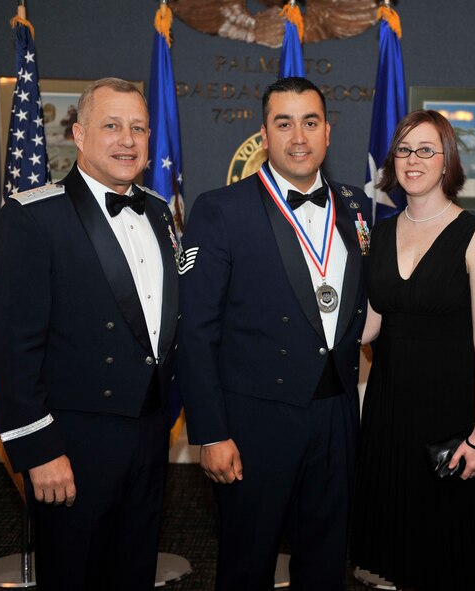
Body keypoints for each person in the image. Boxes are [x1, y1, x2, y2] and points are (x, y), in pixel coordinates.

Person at [0, 77, 179, 590]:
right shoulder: (33, 218)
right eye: (111, 126)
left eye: (138, 128)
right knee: (73, 575)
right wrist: (39, 450)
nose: (127, 140)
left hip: (150, 431)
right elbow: (10, 349)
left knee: (134, 571)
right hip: (72, 441)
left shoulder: (161, 213)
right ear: (78, 134)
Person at [177, 77, 371, 590]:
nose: (299, 136)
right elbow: (196, 331)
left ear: (328, 132)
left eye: (310, 122)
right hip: (254, 421)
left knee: (327, 559)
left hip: (335, 413)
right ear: (265, 134)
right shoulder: (220, 209)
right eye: (284, 123)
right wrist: (212, 433)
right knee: (247, 562)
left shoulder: (357, 207)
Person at [350, 110, 475, 590]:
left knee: (445, 550)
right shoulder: (378, 234)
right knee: (396, 542)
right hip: (388, 408)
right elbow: (370, 325)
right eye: (404, 150)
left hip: (449, 412)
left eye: (425, 150)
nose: (412, 160)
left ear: (447, 162)